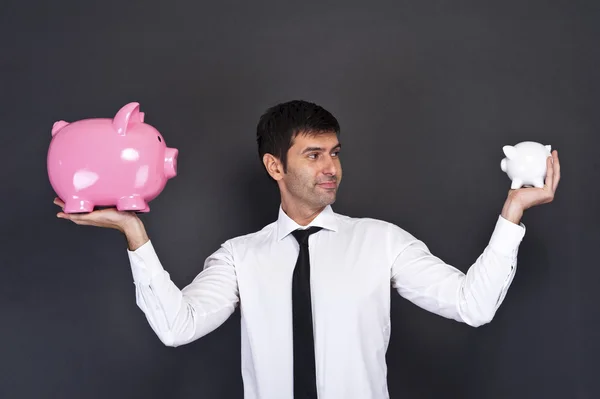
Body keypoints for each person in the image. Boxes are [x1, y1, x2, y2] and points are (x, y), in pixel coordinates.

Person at [54, 100, 560, 399]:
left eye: (334, 153)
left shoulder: (380, 240)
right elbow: (176, 327)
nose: (330, 168)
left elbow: (472, 306)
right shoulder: (239, 256)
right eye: (313, 155)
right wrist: (133, 234)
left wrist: (512, 213)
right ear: (275, 167)